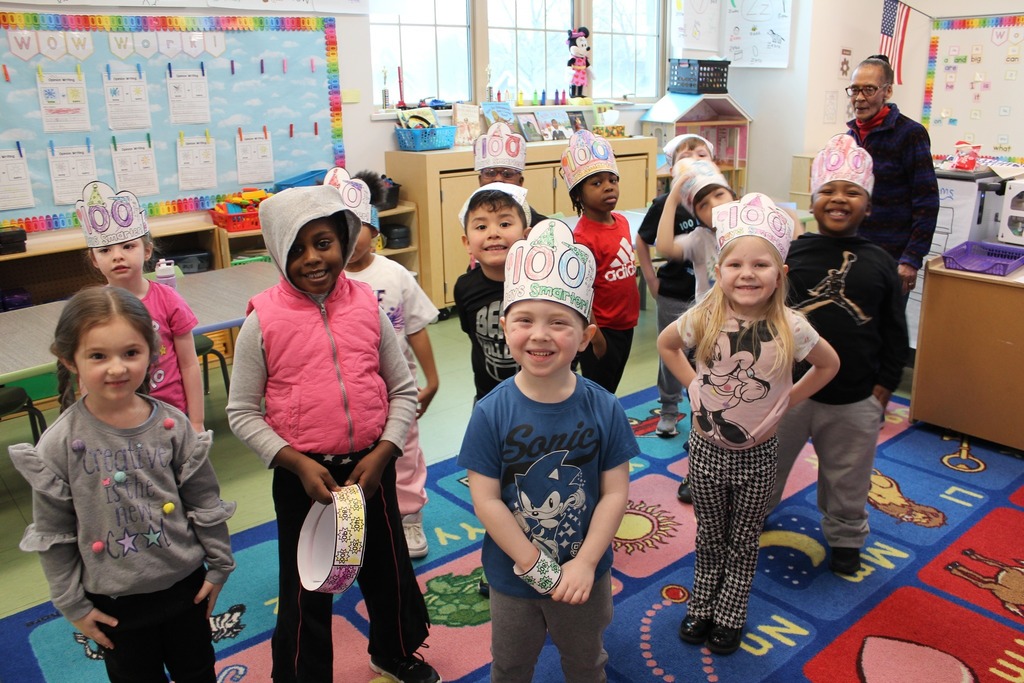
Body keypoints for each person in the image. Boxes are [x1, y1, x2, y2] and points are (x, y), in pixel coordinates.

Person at [225, 185, 438, 683]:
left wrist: (386, 451)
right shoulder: (262, 321)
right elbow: (241, 412)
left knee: (387, 572)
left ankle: (394, 651)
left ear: (344, 238)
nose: (312, 258)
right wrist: (296, 463)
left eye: (323, 242)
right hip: (306, 479)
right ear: (278, 253)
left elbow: (403, 390)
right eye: (296, 249)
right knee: (308, 588)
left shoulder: (367, 304)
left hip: (372, 469)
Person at [9, 286, 235, 683]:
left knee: (198, 671)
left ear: (152, 352)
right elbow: (53, 532)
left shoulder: (173, 425)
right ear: (70, 359)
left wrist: (218, 564)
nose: (117, 368)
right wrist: (72, 604)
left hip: (185, 587)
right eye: (98, 356)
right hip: (115, 602)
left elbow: (204, 500)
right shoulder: (58, 444)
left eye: (131, 353)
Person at [657, 193, 840, 655]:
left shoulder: (792, 327)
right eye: (735, 264)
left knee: (743, 538)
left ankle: (731, 609)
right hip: (705, 449)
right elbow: (666, 344)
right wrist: (695, 386)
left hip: (758, 456)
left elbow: (829, 365)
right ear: (718, 271)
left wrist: (788, 401)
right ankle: (702, 601)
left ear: (780, 275)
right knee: (709, 533)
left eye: (761, 265)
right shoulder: (706, 315)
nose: (747, 273)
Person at [458, 219, 636, 682]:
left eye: (559, 322)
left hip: (585, 574)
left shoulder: (605, 407)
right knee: (512, 663)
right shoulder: (490, 413)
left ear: (585, 334)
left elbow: (615, 492)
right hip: (513, 575)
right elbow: (487, 499)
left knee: (585, 660)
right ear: (504, 327)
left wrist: (586, 562)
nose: (540, 335)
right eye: (524, 320)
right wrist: (531, 561)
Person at [769, 135, 909, 575]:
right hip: (789, 393)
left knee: (848, 476)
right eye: (828, 190)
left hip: (854, 398)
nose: (838, 199)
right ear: (812, 201)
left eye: (852, 192)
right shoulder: (792, 254)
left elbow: (893, 327)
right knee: (767, 463)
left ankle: (846, 537)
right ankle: (751, 515)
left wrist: (883, 386)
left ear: (867, 206)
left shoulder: (881, 261)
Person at [343, 169, 440, 559]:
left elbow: (415, 327)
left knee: (405, 453)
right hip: (348, 395)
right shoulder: (325, 280)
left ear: (376, 232)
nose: (350, 235)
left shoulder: (395, 274)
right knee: (349, 457)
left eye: (359, 226)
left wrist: (432, 380)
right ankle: (354, 522)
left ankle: (409, 517)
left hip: (398, 389)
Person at [76, 180, 205, 433]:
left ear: (147, 251)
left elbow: (189, 364)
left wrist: (197, 422)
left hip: (170, 415)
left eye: (128, 246)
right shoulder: (91, 308)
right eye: (105, 250)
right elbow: (85, 374)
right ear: (94, 259)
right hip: (116, 419)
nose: (117, 256)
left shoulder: (168, 299)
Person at [652, 158, 738, 503]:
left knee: (740, 404)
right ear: (696, 214)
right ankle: (699, 472)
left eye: (719, 195)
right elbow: (664, 247)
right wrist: (673, 198)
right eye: (703, 203)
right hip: (708, 333)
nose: (714, 205)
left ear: (733, 195)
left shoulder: (752, 229)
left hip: (749, 333)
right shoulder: (701, 238)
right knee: (704, 406)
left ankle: (736, 472)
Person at [635, 135, 713, 439]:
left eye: (701, 153)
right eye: (685, 155)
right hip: (675, 294)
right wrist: (650, 278)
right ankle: (668, 409)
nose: (694, 157)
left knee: (705, 356)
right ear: (672, 169)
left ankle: (703, 409)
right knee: (672, 354)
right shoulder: (664, 205)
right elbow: (643, 239)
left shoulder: (717, 202)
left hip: (709, 299)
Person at [846, 54, 939, 296]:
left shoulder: (910, 134)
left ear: (887, 92)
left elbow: (926, 201)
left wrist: (911, 259)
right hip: (852, 254)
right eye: (854, 90)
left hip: (892, 258)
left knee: (886, 329)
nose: (859, 98)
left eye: (869, 90)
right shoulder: (849, 138)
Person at [561, 129, 640, 394]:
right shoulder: (582, 238)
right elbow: (581, 293)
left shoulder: (623, 222)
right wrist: (595, 337)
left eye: (612, 180)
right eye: (596, 183)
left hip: (626, 324)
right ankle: (591, 432)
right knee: (597, 390)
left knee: (612, 386)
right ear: (578, 195)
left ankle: (604, 427)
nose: (608, 186)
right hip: (602, 329)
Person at [454, 184, 530, 404]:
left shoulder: (541, 283)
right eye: (481, 227)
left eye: (505, 224)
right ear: (467, 243)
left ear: (526, 236)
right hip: (488, 399)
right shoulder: (465, 287)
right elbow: (474, 337)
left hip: (541, 396)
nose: (493, 234)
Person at [475, 121, 548, 228]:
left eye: (507, 174)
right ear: (480, 181)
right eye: (490, 173)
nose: (498, 179)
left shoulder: (540, 227)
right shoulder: (472, 220)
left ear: (520, 182)